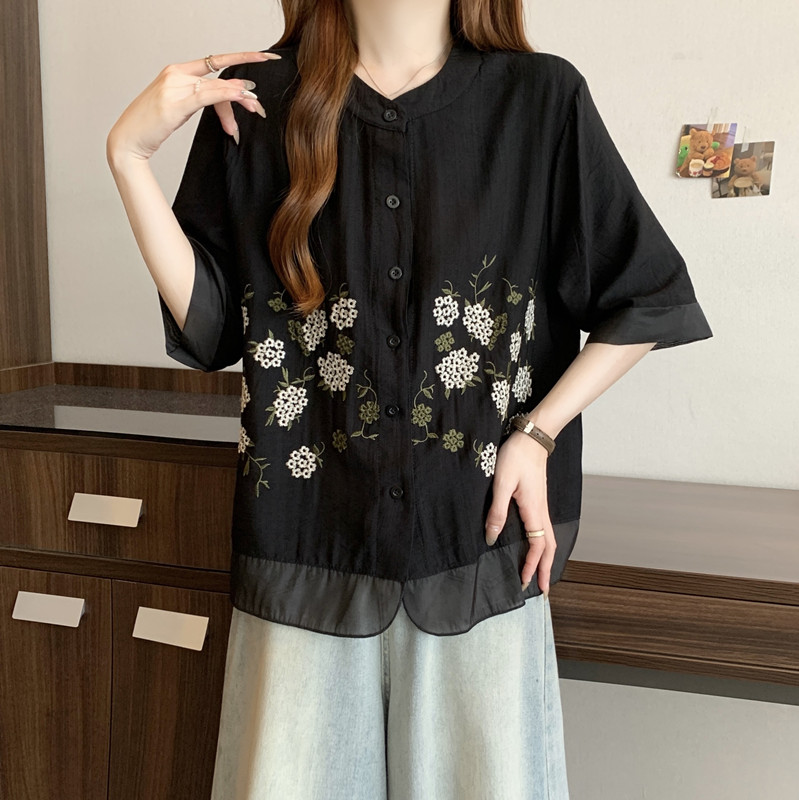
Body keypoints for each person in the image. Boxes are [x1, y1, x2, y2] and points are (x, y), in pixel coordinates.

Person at [107, 0, 713, 797]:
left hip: (475, 544)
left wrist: (536, 433)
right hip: (307, 545)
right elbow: (214, 324)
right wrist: (129, 157)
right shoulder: (258, 101)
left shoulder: (538, 99)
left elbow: (647, 295)